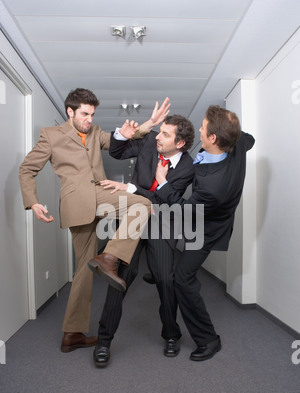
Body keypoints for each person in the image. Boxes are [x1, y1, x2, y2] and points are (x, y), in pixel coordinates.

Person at [18, 88, 169, 353]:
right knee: (84, 268)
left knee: (141, 204)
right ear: (70, 111)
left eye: (92, 114)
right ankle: (73, 331)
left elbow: (120, 138)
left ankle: (108, 257)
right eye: (85, 114)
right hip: (77, 203)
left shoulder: (95, 132)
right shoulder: (51, 136)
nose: (89, 119)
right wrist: (32, 201)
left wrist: (149, 124)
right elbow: (27, 169)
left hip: (100, 194)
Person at [88, 115, 195, 367]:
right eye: (160, 131)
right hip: (133, 218)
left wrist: (131, 189)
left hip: (161, 222)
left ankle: (171, 334)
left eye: (165, 134)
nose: (157, 136)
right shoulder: (148, 142)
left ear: (179, 144)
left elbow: (164, 200)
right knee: (119, 277)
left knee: (165, 279)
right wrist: (122, 135)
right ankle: (104, 341)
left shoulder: (188, 167)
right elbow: (117, 152)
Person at [155, 105, 255, 362]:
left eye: (203, 126)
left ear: (213, 138)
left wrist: (163, 182)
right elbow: (249, 139)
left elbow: (184, 210)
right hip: (208, 213)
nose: (199, 128)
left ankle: (209, 340)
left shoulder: (213, 185)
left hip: (208, 228)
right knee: (179, 272)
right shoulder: (239, 142)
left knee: (182, 280)